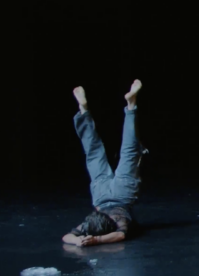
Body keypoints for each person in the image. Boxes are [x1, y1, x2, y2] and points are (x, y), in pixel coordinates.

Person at [62, 80, 144, 247]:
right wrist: (82, 239)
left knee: (129, 151)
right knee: (93, 153)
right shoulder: (92, 224)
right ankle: (83, 110)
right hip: (100, 196)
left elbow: (120, 235)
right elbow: (67, 236)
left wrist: (92, 240)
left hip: (123, 194)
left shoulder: (119, 220)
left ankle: (131, 106)